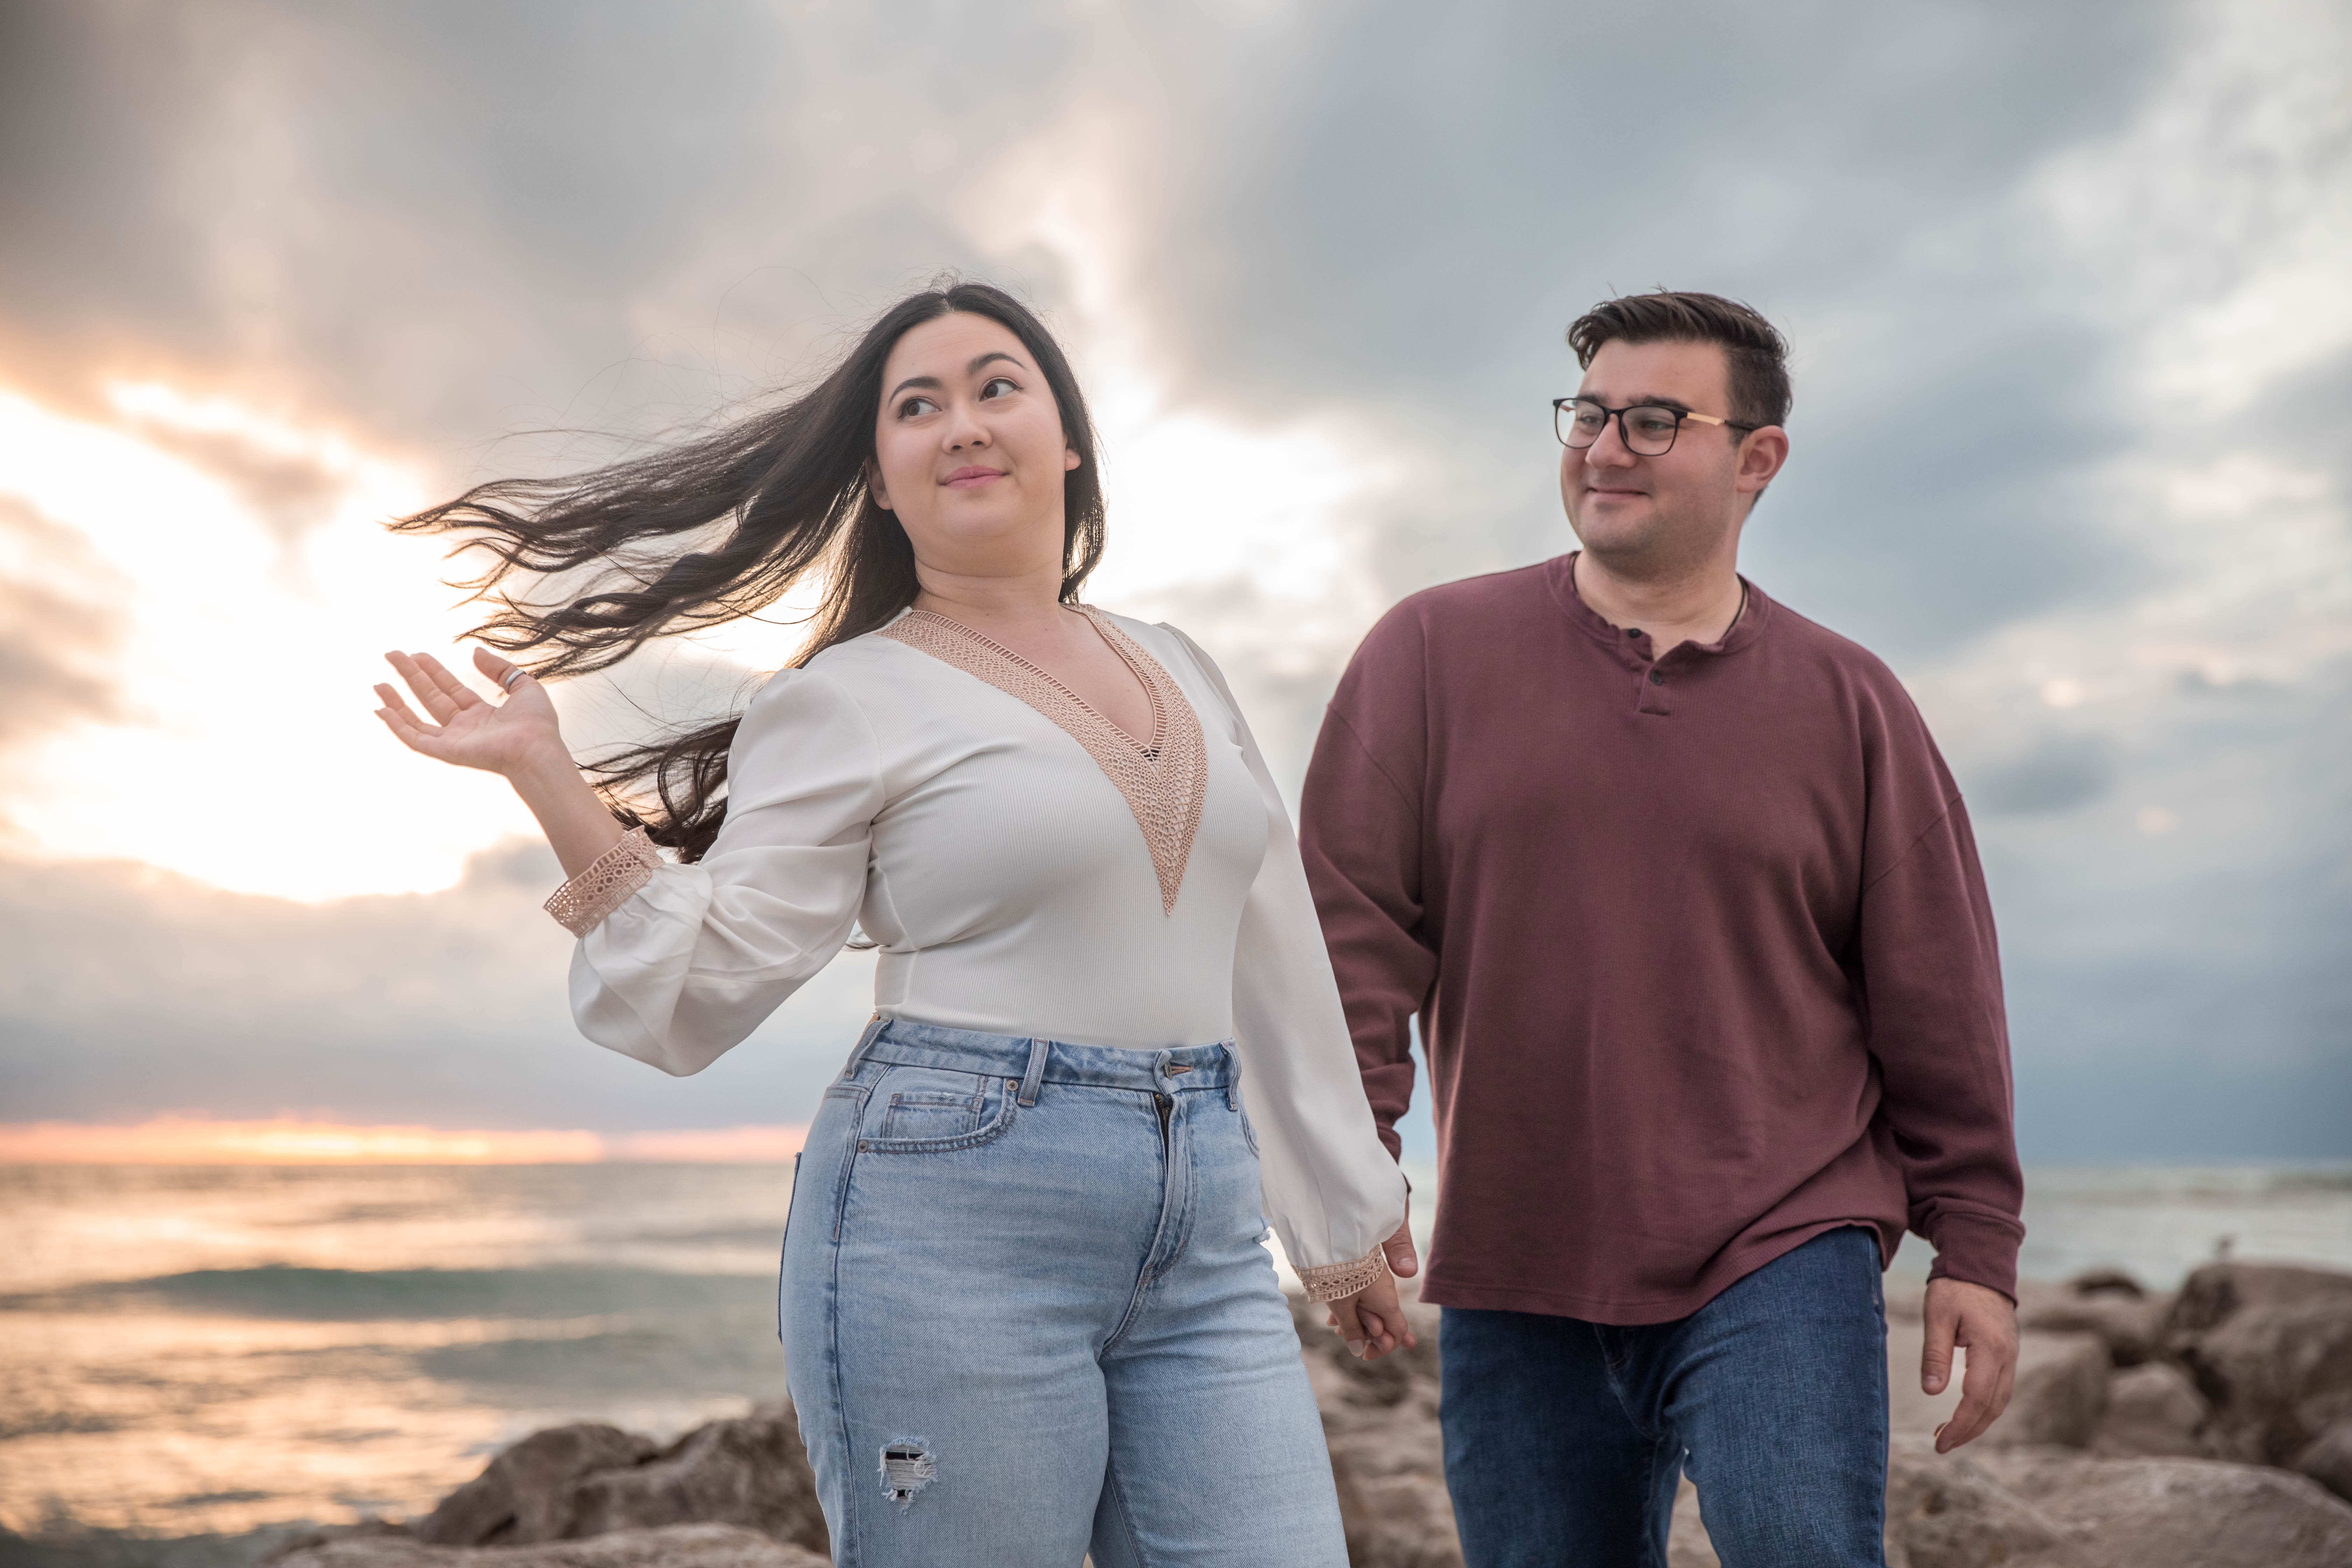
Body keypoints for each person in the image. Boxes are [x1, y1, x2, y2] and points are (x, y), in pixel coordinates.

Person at [370, 279, 1410, 1566]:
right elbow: (702, 990)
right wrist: (548, 775)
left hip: (1202, 1214)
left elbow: (1271, 944)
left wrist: (1340, 1214)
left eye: (996, 386)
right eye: (916, 407)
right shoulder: (846, 698)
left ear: (1069, 438)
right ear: (879, 477)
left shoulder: (1183, 662)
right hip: (949, 1211)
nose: (961, 423)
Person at [1298, 290, 2025, 1567]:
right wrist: (1345, 1175)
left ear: (1757, 459)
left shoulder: (1852, 703)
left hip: (1783, 1239)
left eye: (1650, 420)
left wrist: (1976, 1245)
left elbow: (1939, 991)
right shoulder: (1430, 652)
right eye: (1588, 415)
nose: (1603, 447)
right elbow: (1351, 937)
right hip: (1514, 1251)